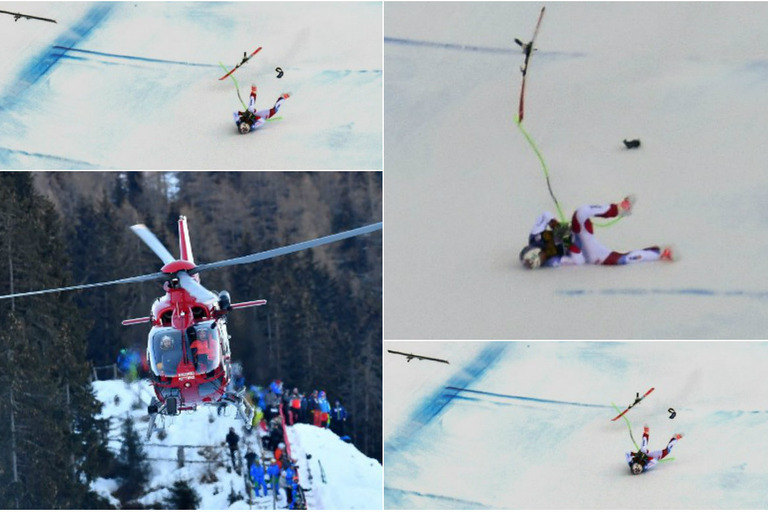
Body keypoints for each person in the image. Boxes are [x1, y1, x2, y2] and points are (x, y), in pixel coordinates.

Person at [519, 195, 675, 269]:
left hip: (575, 231)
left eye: (539, 255)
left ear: (535, 250)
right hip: (584, 251)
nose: (544, 257)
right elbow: (578, 261)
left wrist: (558, 227)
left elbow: (545, 215)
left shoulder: (535, 236)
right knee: (619, 260)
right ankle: (659, 253)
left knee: (582, 212)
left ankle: (619, 209)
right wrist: (570, 242)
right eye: (540, 261)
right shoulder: (552, 262)